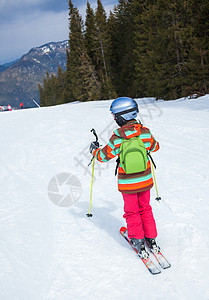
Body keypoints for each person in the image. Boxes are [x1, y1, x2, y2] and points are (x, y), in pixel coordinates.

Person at [89, 97, 160, 257]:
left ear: (121, 118)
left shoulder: (118, 138)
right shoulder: (145, 133)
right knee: (145, 208)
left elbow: (103, 156)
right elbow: (155, 146)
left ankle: (138, 240)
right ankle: (151, 239)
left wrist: (94, 151)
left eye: (115, 116)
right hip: (145, 180)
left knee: (132, 211)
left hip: (128, 184)